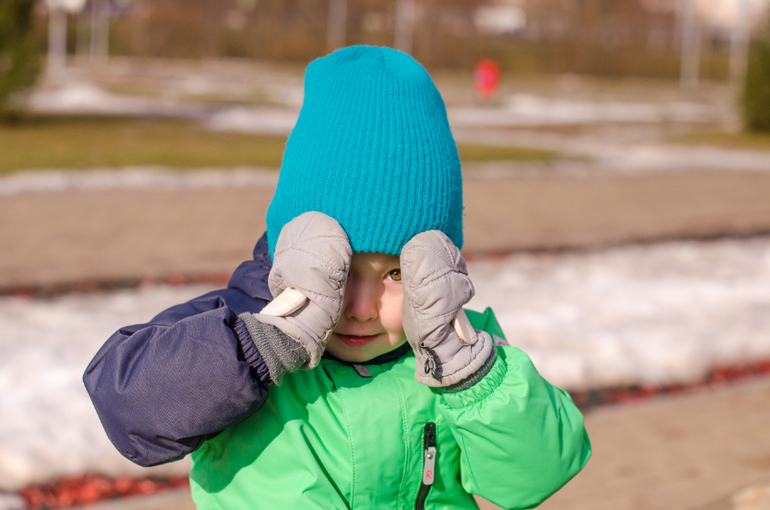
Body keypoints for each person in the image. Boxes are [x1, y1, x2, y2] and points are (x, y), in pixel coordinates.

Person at [84, 45, 591, 510]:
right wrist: (257, 349)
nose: (363, 306)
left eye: (396, 272)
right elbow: (126, 402)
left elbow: (535, 474)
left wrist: (472, 378)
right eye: (342, 270)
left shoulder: (459, 350)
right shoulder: (238, 328)